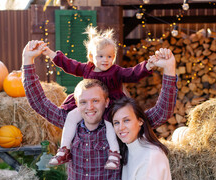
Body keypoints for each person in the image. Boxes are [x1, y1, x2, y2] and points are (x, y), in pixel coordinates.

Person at [8, 40, 177, 180]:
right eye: (84, 102)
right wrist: (27, 61)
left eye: (96, 101)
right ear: (76, 104)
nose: (90, 107)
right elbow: (39, 103)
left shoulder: (118, 129)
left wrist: (169, 71)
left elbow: (160, 112)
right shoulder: (71, 124)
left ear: (107, 102)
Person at [42, 26, 154, 170]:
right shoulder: (86, 69)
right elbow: (69, 65)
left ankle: (114, 154)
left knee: (109, 123)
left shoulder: (116, 71)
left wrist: (147, 66)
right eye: (100, 56)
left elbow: (132, 73)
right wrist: (51, 53)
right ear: (91, 57)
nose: (105, 60)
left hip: (111, 104)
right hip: (90, 104)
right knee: (71, 116)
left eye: (109, 56)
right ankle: (64, 149)